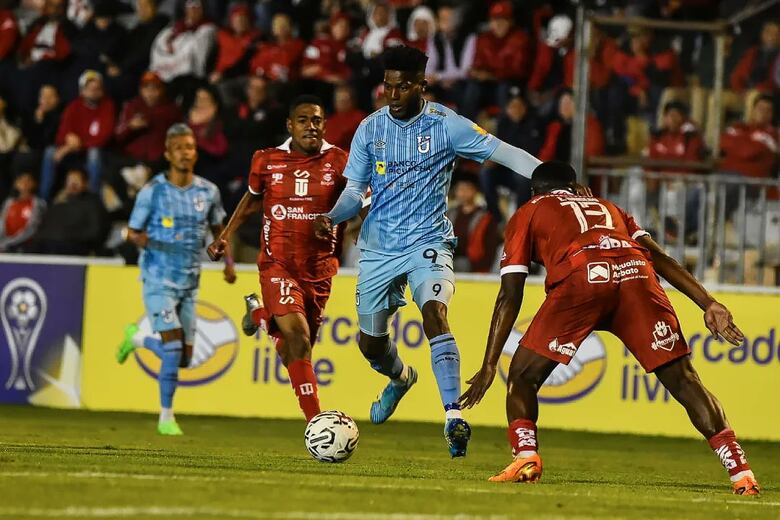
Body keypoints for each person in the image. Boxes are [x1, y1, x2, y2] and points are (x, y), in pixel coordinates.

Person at [459, 161, 761, 496]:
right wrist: (708, 303)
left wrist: (489, 363)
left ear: (534, 191)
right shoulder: (609, 206)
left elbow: (509, 293)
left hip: (583, 279)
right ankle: (741, 472)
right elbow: (659, 258)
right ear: (576, 188)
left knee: (522, 376)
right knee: (685, 381)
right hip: (637, 277)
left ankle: (526, 456)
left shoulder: (529, 210)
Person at [313, 46, 541, 458]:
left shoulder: (446, 126)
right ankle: (401, 378)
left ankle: (453, 416)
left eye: (402, 87)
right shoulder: (369, 129)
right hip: (379, 248)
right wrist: (331, 216)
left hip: (428, 242)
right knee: (370, 344)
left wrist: (554, 179)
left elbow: (504, 152)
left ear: (422, 84)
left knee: (434, 311)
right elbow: (353, 192)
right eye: (388, 86)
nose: (393, 94)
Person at [207, 95, 349, 423]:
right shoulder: (266, 161)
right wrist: (225, 236)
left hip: (319, 270)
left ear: (324, 125)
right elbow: (253, 200)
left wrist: (355, 225)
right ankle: (317, 424)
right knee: (298, 340)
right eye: (303, 120)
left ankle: (259, 315)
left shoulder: (340, 161)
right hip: (278, 264)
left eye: (316, 120)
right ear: (290, 125)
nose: (310, 127)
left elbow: (360, 201)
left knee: (294, 352)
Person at [115, 124, 236, 435]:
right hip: (158, 279)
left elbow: (219, 231)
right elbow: (133, 231)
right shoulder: (152, 191)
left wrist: (228, 264)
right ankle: (166, 417)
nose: (185, 152)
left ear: (196, 153)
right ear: (167, 154)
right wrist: (138, 239)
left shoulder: (208, 191)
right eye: (179, 147)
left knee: (183, 358)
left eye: (190, 146)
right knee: (171, 348)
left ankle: (137, 339)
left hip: (189, 282)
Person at [40, 70, 116, 200]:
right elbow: (61, 135)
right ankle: (43, 200)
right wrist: (68, 144)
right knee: (49, 152)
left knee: (94, 153)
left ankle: (93, 199)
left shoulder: (108, 106)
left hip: (97, 151)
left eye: (97, 88)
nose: (94, 91)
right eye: (89, 88)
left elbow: (104, 137)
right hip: (74, 151)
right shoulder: (74, 106)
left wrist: (75, 145)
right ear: (82, 90)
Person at [34, 168, 108, 255]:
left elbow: (95, 232)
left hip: (76, 247)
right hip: (48, 246)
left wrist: (69, 236)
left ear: (85, 183)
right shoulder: (58, 203)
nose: (73, 184)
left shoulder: (94, 204)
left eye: (76, 180)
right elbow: (43, 229)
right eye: (70, 180)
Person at [447, 178, 499, 273]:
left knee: (461, 264)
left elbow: (490, 248)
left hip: (473, 263)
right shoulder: (450, 214)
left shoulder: (485, 218)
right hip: (450, 258)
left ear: (475, 191)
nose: (463, 193)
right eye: (460, 189)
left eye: (467, 189)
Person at [0, 172, 46, 253]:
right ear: (16, 184)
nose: (24, 183)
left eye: (28, 180)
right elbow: (2, 223)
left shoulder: (38, 203)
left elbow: (32, 228)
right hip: (5, 244)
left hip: (25, 245)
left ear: (33, 184)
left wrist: (9, 243)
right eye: (21, 180)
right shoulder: (9, 202)